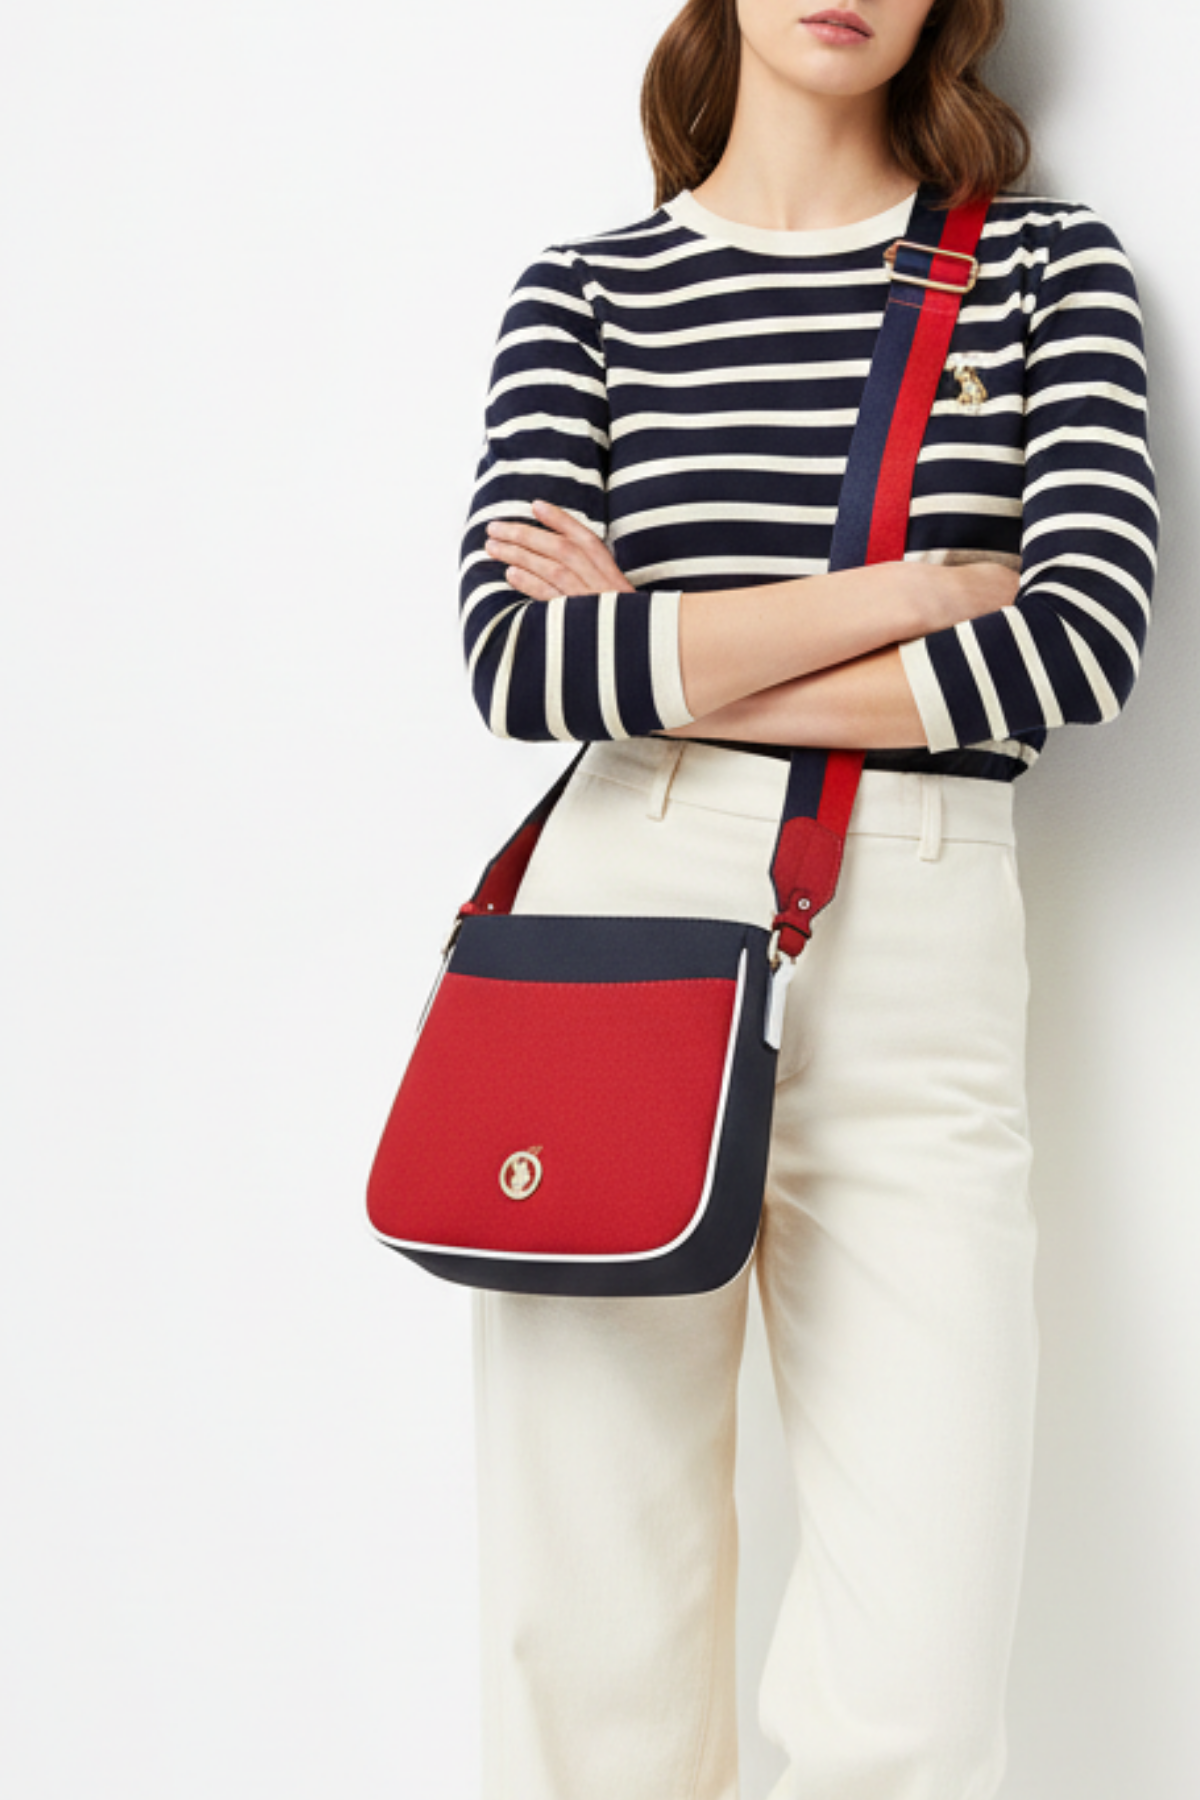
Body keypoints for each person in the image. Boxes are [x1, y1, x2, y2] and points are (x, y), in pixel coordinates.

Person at [457, 2, 1158, 1796]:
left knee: (914, 1695)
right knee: (593, 1635)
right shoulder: (587, 294)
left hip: (917, 938)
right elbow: (521, 666)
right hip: (620, 916)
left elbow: (1075, 647)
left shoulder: (1046, 276)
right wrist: (908, 592)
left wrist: (662, 649)